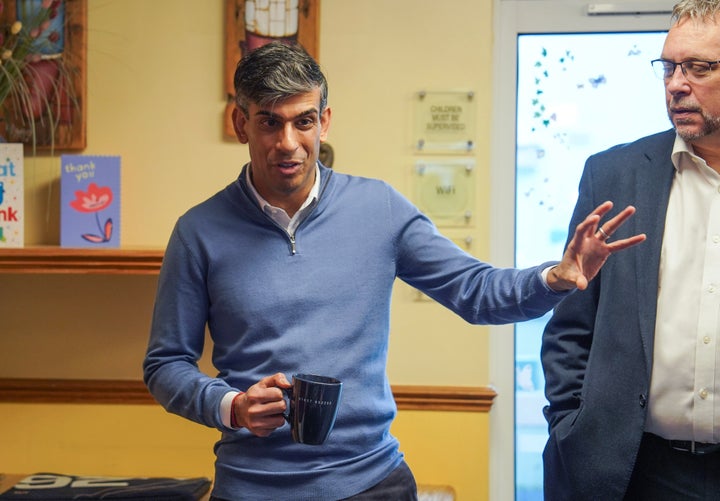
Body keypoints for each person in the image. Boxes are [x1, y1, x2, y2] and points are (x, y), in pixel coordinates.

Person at [143, 41, 643, 501]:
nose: (289, 143)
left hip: (372, 483)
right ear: (240, 124)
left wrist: (553, 277)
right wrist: (230, 406)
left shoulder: (379, 208)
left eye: (304, 121)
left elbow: (476, 291)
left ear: (325, 121)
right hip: (253, 486)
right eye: (270, 122)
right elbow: (165, 365)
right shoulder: (198, 231)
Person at [541, 1, 720, 499]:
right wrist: (570, 423)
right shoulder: (614, 175)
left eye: (699, 67)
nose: (676, 83)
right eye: (669, 67)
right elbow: (570, 326)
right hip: (633, 469)